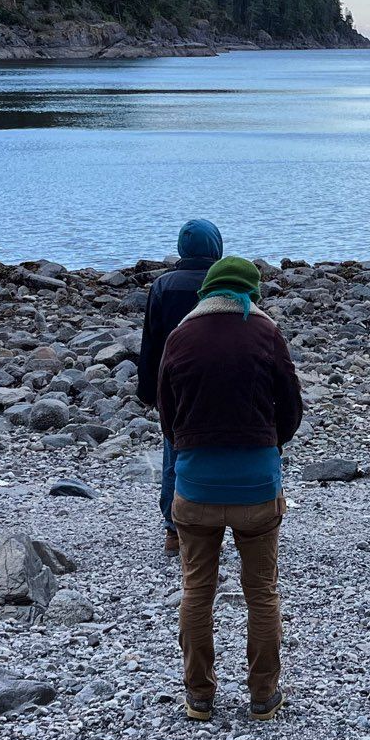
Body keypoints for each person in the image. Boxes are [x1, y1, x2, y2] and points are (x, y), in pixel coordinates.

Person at [158, 256, 303, 723]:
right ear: (251, 291)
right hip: (257, 485)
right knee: (261, 593)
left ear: (208, 291)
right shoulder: (265, 332)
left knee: (196, 591)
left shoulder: (180, 336)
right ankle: (263, 695)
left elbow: (167, 415)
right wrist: (270, 442)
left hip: (196, 486)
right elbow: (292, 407)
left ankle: (199, 696)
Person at [140, 219, 224, 557]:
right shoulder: (223, 284)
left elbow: (151, 343)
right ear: (216, 247)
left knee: (175, 451)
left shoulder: (163, 285)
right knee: (220, 448)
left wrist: (148, 390)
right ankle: (220, 517)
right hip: (218, 380)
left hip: (173, 383)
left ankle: (174, 529)